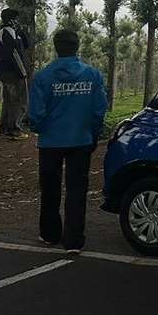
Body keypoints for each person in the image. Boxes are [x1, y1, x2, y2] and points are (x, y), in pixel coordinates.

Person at [28, 29, 108, 254]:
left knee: (50, 189)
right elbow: (100, 108)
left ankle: (50, 234)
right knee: (77, 189)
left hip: (50, 142)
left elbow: (36, 113)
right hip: (81, 140)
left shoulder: (43, 77)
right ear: (77, 46)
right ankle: (73, 240)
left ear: (56, 47)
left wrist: (40, 128)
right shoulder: (92, 75)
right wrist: (94, 132)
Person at [0, 8, 30, 139]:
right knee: (20, 100)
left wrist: (21, 32)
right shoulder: (6, 32)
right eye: (16, 18)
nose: (17, 21)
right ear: (11, 19)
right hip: (12, 72)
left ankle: (5, 128)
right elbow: (14, 54)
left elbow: (25, 46)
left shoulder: (12, 32)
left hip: (8, 71)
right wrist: (22, 72)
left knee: (9, 100)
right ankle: (14, 129)